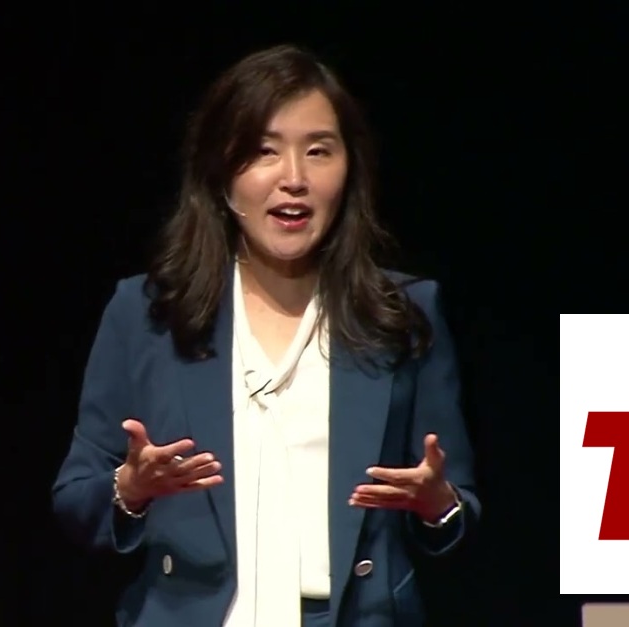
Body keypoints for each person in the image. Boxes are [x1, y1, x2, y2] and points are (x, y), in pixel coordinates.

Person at [52, 43, 480, 627]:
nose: (294, 179)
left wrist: (437, 505)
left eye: (318, 151)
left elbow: (457, 511)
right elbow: (77, 498)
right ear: (220, 173)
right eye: (264, 151)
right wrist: (131, 487)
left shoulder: (402, 313)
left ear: (349, 170)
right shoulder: (148, 313)